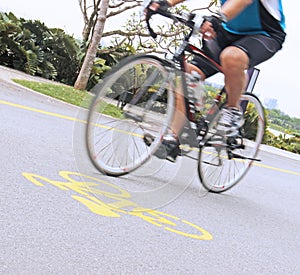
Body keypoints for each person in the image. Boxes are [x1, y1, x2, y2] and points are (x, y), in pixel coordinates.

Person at [145, 0, 286, 162]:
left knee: (231, 57)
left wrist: (217, 18)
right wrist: (163, 3)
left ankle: (233, 111)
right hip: (227, 31)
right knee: (187, 74)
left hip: (264, 34)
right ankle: (173, 139)